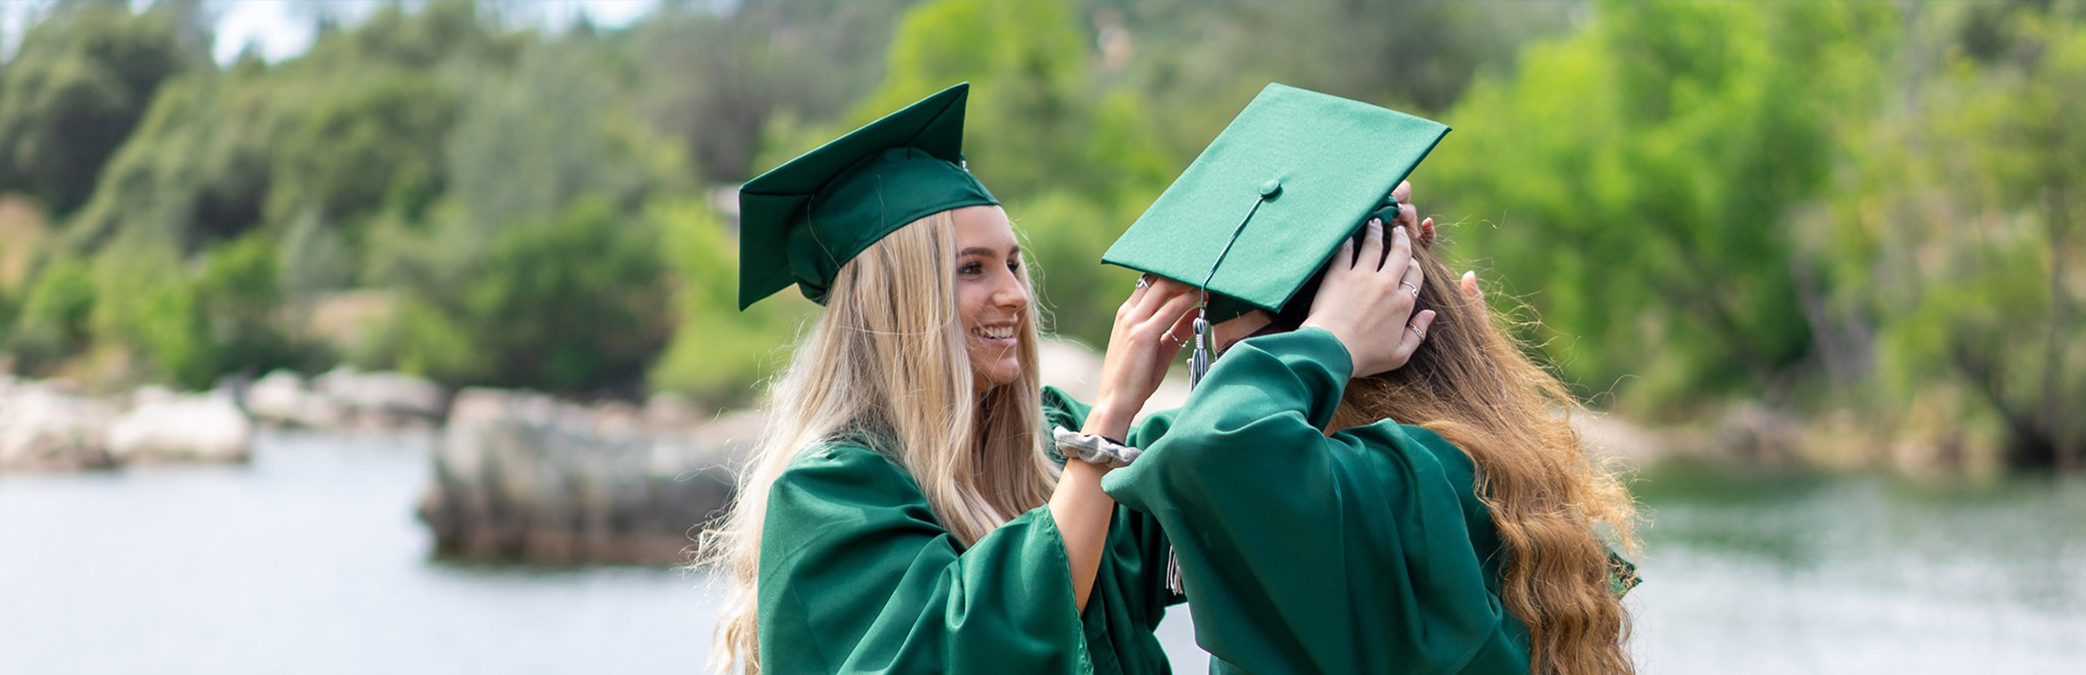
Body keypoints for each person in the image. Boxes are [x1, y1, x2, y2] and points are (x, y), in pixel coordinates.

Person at [1096, 84, 1642, 675]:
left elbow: (1209, 445)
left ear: (1356, 340)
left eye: (1245, 358)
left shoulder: (1387, 485)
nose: (1226, 384)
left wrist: (1328, 339)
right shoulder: (1489, 476)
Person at [702, 82, 1204, 674]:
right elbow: (974, 651)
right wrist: (1109, 420)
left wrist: (1255, 330)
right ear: (895, 301)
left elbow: (1193, 488)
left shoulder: (1047, 440)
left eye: (1013, 264)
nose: (1015, 295)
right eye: (973, 268)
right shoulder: (830, 497)